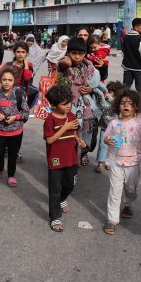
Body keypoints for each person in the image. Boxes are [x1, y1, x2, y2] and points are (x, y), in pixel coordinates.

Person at [102, 89, 141, 235]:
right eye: (122, 103)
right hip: (115, 162)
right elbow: (106, 137)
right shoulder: (114, 123)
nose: (125, 106)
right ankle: (112, 220)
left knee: (131, 189)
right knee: (114, 192)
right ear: (117, 106)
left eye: (130, 103)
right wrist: (107, 140)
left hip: (133, 163)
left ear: (135, 107)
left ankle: (129, 204)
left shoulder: (139, 122)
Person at [58, 37, 106, 167]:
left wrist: (91, 87)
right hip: (69, 106)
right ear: (68, 52)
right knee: (69, 135)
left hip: (87, 109)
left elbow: (97, 79)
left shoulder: (90, 66)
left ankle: (82, 153)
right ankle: (70, 159)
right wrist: (66, 62)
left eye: (80, 53)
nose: (77, 57)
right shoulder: (64, 65)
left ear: (85, 53)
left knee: (87, 136)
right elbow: (62, 65)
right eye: (74, 53)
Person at [44, 84, 86, 232]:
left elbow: (73, 133)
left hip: (71, 159)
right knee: (55, 189)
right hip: (55, 161)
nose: (68, 106)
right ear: (54, 105)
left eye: (69, 102)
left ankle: (62, 199)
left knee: (70, 185)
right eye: (64, 104)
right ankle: (55, 216)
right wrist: (64, 128)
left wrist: (78, 140)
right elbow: (49, 140)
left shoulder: (72, 116)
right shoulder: (50, 120)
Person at [0, 66, 30, 187]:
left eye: (10, 80)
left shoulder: (19, 94)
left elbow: (25, 111)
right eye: (4, 79)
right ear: (0, 81)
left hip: (16, 131)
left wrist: (15, 117)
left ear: (14, 81)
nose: (7, 82)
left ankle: (11, 175)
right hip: (1, 131)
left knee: (13, 154)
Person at [95, 81, 126, 173]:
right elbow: (98, 105)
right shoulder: (104, 99)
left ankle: (110, 162)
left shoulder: (118, 102)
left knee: (115, 146)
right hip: (105, 127)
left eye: (111, 92)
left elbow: (118, 107)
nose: (108, 93)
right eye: (108, 91)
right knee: (102, 145)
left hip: (117, 129)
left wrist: (110, 99)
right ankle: (101, 162)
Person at [121, 18, 141, 109]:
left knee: (125, 89)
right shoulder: (140, 38)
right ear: (136, 27)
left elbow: (126, 51)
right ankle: (138, 109)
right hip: (139, 69)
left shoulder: (126, 36)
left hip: (127, 67)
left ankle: (122, 106)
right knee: (140, 90)